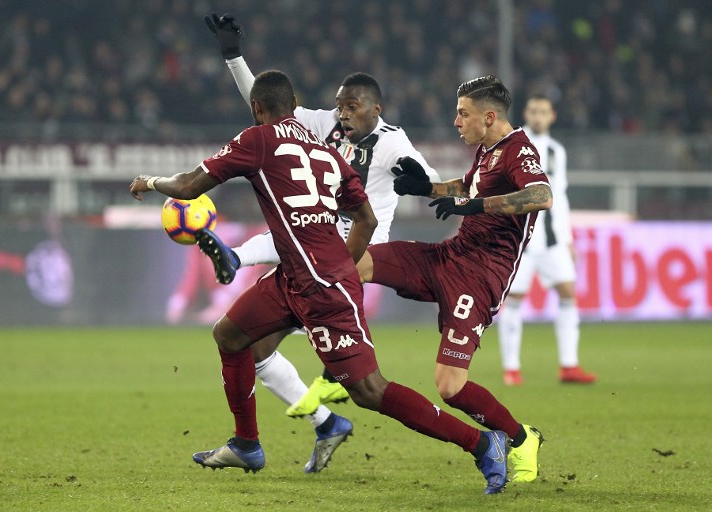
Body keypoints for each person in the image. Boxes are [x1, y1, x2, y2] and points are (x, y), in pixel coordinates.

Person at [129, 70, 511, 494]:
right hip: (298, 275)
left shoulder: (257, 139)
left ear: (258, 110)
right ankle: (247, 443)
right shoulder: (326, 152)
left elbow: (186, 186)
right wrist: (343, 263)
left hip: (324, 287)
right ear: (296, 107)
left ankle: (481, 443)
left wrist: (149, 182)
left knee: (370, 391)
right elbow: (363, 217)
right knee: (232, 336)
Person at [203, 13, 440, 426]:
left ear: (375, 110)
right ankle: (327, 420)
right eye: (339, 106)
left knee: (366, 386)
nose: (343, 114)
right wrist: (233, 57)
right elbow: (267, 108)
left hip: (355, 256)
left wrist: (421, 180)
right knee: (254, 349)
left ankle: (238, 259)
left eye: (352, 107)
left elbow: (425, 173)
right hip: (316, 246)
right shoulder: (323, 125)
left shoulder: (391, 141)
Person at [356, 75, 551, 484]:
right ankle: (338, 356)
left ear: (489, 116)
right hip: (448, 256)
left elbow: (540, 196)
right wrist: (424, 188)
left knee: (449, 386)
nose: (456, 121)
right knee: (356, 263)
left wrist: (476, 205)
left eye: (463, 113)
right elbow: (467, 187)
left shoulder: (519, 151)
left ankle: (520, 438)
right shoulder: (486, 150)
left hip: (480, 278)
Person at [497, 94, 596, 385]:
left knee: (568, 294)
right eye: (533, 111)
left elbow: (560, 197)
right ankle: (511, 368)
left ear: (552, 116)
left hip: (552, 240)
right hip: (521, 242)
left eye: (543, 111)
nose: (538, 116)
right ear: (526, 114)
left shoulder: (556, 151)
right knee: (514, 300)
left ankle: (569, 365)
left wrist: (566, 239)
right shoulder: (512, 146)